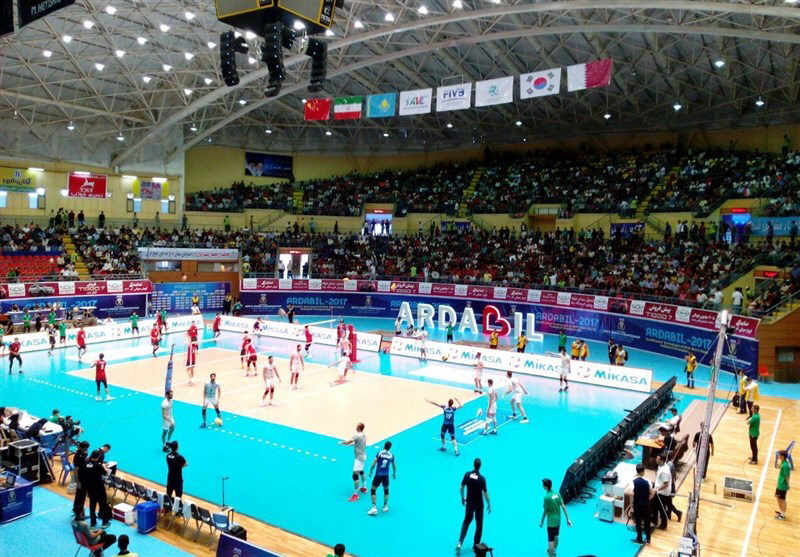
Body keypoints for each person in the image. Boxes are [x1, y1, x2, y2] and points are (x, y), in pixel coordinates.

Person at [456, 458, 490, 554]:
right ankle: (476, 546)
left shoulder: (467, 475)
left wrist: (462, 498)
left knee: (466, 522)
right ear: (480, 466)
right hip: (479, 505)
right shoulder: (482, 479)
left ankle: (460, 543)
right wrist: (489, 503)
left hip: (469, 503)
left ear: (473, 465)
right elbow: (485, 493)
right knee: (479, 525)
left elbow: (461, 487)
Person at [540, 478, 572, 556]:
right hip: (558, 520)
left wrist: (542, 521)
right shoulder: (557, 494)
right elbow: (563, 506)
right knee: (556, 536)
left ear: (545, 487)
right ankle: (553, 550)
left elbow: (545, 511)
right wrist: (568, 519)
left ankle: (551, 553)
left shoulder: (546, 498)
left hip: (551, 522)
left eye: (543, 485)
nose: (542, 486)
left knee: (550, 540)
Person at [339, 423, 368, 502]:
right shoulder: (364, 435)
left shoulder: (356, 435)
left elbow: (348, 442)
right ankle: (364, 487)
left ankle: (355, 495)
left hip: (358, 458)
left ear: (359, 428)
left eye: (357, 426)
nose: (356, 426)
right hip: (363, 456)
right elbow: (359, 443)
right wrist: (353, 445)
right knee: (361, 471)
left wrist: (342, 442)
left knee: (355, 475)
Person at [367, 441, 396, 516]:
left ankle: (374, 508)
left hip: (378, 475)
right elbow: (394, 465)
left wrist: (371, 470)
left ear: (384, 446)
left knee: (373, 490)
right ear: (390, 447)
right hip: (386, 476)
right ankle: (385, 506)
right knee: (386, 490)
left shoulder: (380, 453)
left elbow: (374, 462)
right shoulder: (391, 455)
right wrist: (394, 473)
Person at [84, 449, 111, 527]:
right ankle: (105, 522)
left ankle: (93, 522)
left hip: (90, 488)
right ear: (98, 457)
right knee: (103, 504)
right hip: (99, 488)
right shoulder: (98, 466)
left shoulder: (86, 464)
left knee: (92, 505)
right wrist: (104, 468)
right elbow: (105, 473)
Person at [631, 463, 653, 544]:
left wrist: (632, 505)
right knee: (647, 522)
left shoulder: (633, 481)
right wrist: (647, 500)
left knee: (638, 522)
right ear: (643, 471)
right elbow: (651, 493)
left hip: (637, 504)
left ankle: (639, 538)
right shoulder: (648, 481)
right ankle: (648, 539)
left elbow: (632, 494)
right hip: (646, 504)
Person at [166, 441, 187, 512]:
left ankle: (167, 508)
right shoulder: (179, 457)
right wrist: (179, 467)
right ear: (177, 448)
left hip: (170, 478)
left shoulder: (168, 456)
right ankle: (178, 511)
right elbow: (185, 464)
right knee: (178, 496)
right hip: (177, 479)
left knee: (169, 494)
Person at [72, 441, 90, 518]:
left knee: (80, 495)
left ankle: (76, 510)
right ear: (82, 448)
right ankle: (79, 514)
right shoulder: (77, 456)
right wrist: (77, 481)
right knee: (80, 496)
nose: (87, 450)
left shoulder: (84, 453)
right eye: (86, 448)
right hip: (80, 478)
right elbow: (76, 469)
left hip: (85, 477)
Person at [775, 449, 791, 520]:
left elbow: (787, 476)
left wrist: (788, 485)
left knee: (782, 500)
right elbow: (780, 466)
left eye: (779, 455)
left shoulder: (785, 466)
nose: (778, 456)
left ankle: (783, 515)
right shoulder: (783, 462)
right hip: (780, 484)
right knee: (778, 498)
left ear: (782, 456)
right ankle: (781, 511)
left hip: (782, 485)